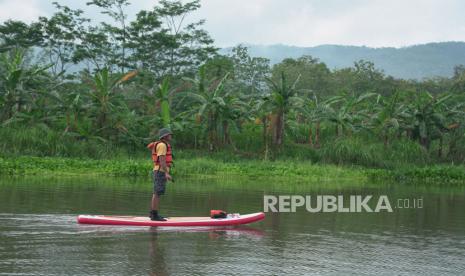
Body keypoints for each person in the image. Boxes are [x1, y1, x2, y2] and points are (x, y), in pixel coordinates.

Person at [147, 128, 173, 221]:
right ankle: (154, 215)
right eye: (170, 135)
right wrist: (166, 173)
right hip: (160, 171)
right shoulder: (162, 145)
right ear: (165, 136)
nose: (171, 136)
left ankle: (153, 214)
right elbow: (162, 160)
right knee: (157, 193)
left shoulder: (162, 144)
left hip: (159, 171)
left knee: (157, 193)